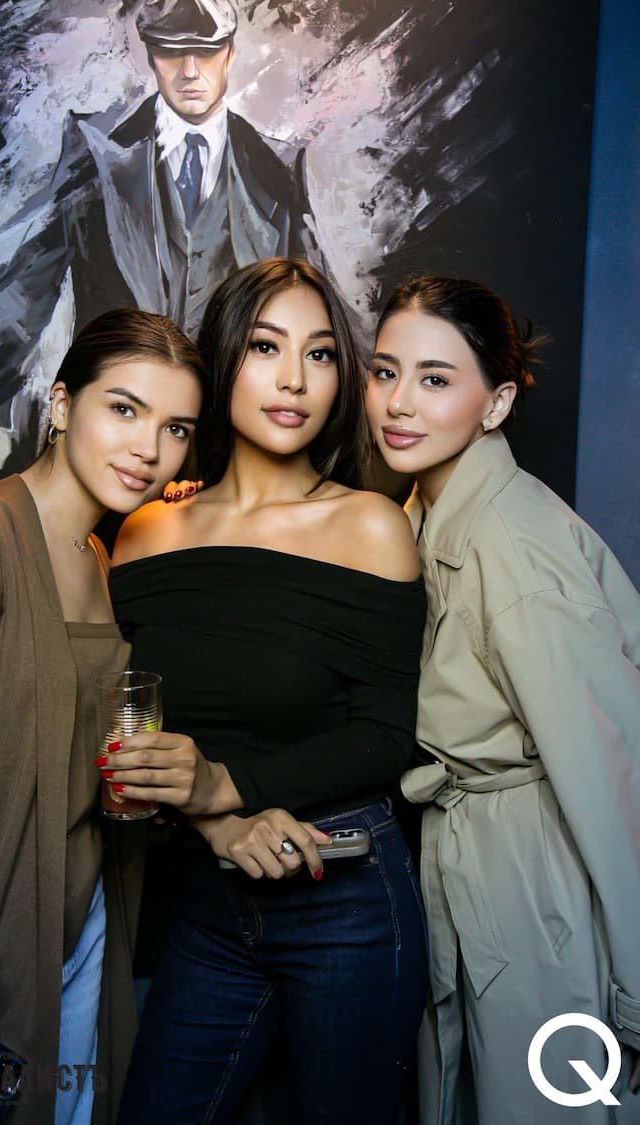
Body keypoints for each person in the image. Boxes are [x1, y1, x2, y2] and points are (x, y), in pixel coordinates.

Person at [106, 257, 429, 1124]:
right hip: (207, 895)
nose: (295, 380)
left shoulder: (370, 524)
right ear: (220, 357)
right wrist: (213, 817)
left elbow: (386, 734)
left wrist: (226, 782)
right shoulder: (146, 532)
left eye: (319, 354)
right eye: (265, 346)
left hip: (346, 893)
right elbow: (124, 730)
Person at [0, 308, 210, 1125]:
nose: (149, 448)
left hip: (83, 924)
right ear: (62, 404)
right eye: (125, 409)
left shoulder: (102, 559)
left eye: (176, 428)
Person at [364, 275, 640, 1124]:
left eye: (436, 379)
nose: (398, 403)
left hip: (540, 880)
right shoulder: (422, 513)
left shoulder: (514, 545)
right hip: (474, 866)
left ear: (497, 402)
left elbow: (615, 774)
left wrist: (638, 983)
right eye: (385, 371)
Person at [0, 0, 320, 473]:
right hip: (110, 431)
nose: (190, 71)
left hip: (225, 446)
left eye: (206, 52)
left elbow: (313, 305)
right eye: (171, 52)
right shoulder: (94, 149)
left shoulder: (277, 166)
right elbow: (32, 277)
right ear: (150, 55)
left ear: (230, 54)